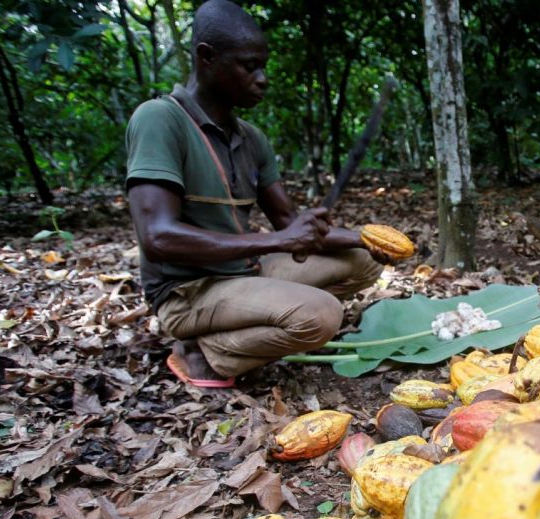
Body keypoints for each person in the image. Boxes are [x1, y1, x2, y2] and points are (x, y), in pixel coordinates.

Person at [124, 0, 383, 388]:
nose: (262, 78)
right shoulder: (160, 119)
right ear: (206, 57)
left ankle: (255, 320)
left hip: (243, 271)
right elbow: (157, 236)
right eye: (249, 66)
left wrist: (371, 238)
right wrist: (277, 241)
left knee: (364, 261)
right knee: (322, 316)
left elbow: (289, 226)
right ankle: (203, 354)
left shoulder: (252, 139)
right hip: (187, 291)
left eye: (263, 66)